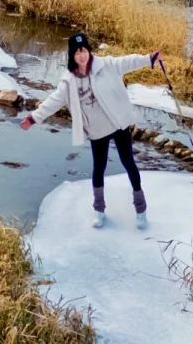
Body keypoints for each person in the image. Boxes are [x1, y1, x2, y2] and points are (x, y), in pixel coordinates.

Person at [20, 32, 160, 229]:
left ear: (89, 50)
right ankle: (99, 209)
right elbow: (53, 102)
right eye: (77, 53)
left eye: (84, 50)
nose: (82, 56)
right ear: (72, 56)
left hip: (118, 124)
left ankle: (141, 209)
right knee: (99, 168)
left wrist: (148, 59)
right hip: (97, 131)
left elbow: (127, 62)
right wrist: (33, 118)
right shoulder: (68, 81)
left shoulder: (106, 65)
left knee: (129, 163)